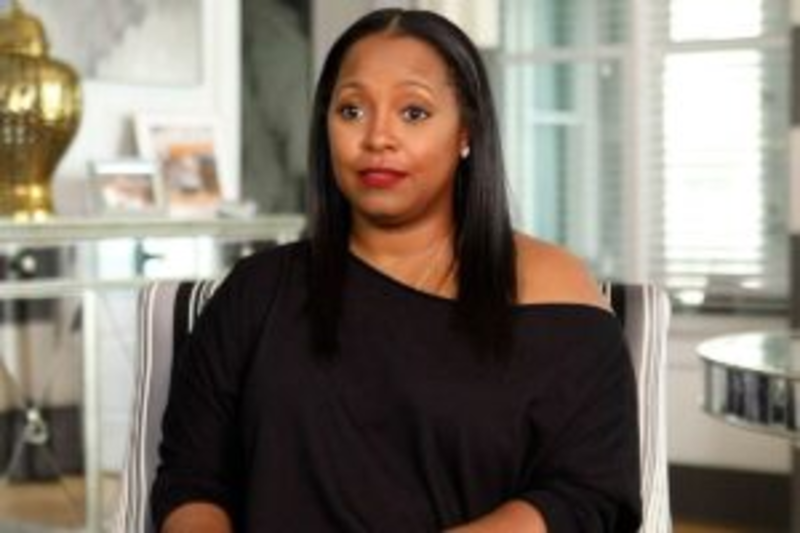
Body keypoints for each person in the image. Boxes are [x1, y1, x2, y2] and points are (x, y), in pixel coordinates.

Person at [151, 8, 641, 533]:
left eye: (413, 112)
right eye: (351, 110)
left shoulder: (555, 291)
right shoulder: (256, 292)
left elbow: (588, 494)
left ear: (466, 131)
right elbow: (192, 481)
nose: (377, 137)